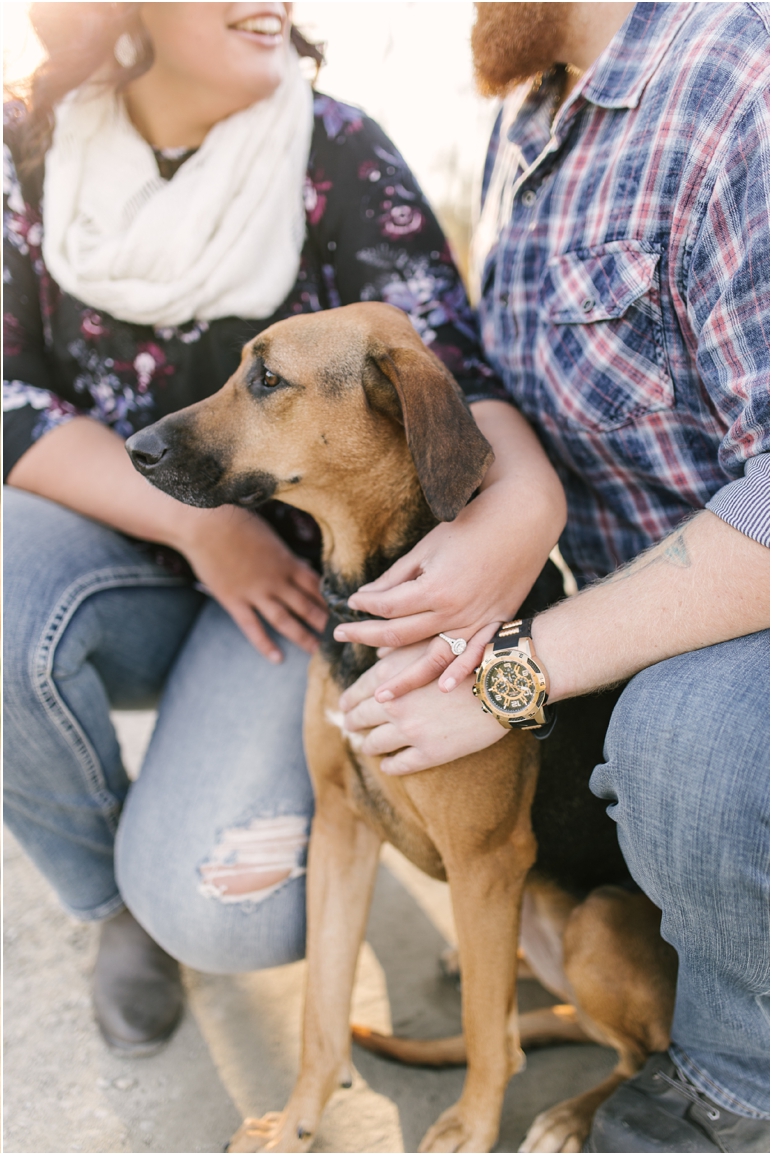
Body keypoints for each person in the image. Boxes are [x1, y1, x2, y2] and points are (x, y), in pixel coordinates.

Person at [1, 2, 564, 1058]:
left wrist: (530, 508)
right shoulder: (24, 147)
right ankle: (104, 904)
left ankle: (226, 830)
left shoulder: (337, 150)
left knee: (222, 911)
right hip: (115, 546)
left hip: (303, 578)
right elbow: (2, 397)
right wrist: (203, 528)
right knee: (5, 587)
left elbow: (450, 367)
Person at [340, 4, 767, 1149]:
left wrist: (505, 679)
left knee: (680, 734)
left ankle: (733, 1086)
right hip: (648, 612)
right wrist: (518, 502)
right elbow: (498, 375)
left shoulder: (741, 81)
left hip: (733, 640)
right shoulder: (529, 108)